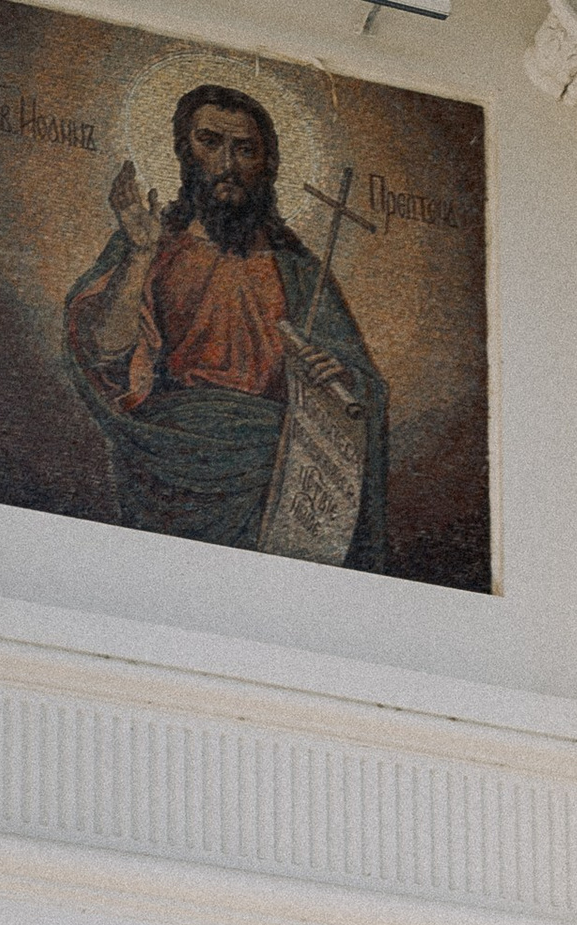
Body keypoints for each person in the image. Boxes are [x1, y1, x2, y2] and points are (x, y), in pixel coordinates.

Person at [62, 83, 391, 566]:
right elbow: (105, 355)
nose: (228, 163)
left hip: (278, 471)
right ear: (183, 150)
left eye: (245, 149)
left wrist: (335, 377)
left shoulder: (299, 272)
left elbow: (360, 388)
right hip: (169, 459)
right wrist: (138, 256)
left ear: (268, 164)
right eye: (210, 142)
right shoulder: (150, 244)